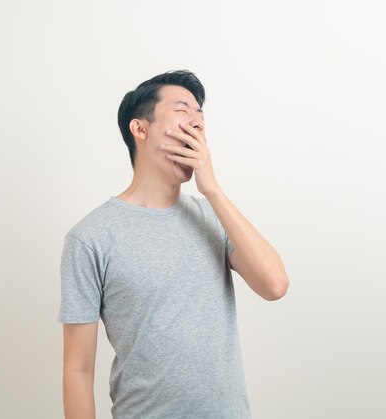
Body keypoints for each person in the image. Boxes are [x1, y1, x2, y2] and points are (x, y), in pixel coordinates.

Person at [59, 69, 290, 419]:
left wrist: (212, 189)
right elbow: (78, 370)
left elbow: (274, 285)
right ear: (141, 129)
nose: (197, 123)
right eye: (183, 109)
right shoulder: (90, 238)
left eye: (201, 116)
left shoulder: (213, 216)